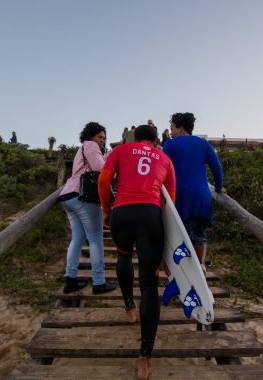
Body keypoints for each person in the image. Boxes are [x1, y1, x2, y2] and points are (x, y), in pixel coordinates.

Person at [98, 125, 176, 379]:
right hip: (149, 214)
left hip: (122, 212)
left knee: (122, 256)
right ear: (155, 140)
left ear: (135, 137)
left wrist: (106, 209)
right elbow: (170, 202)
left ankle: (130, 308)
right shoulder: (165, 158)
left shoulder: (120, 150)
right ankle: (144, 358)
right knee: (149, 283)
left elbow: (103, 180)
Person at [58, 122, 117, 295]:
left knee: (77, 239)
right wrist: (115, 164)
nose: (102, 140)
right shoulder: (90, 146)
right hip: (83, 196)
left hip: (68, 196)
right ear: (90, 135)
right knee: (96, 239)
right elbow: (102, 169)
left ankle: (70, 280)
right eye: (100, 136)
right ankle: (99, 282)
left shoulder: (81, 149)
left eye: (103, 138)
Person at [163, 112, 223, 274]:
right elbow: (216, 167)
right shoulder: (203, 144)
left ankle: (177, 270)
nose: (171, 132)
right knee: (198, 233)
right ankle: (200, 266)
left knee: (174, 234)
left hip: (177, 196)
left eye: (172, 128)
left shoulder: (169, 145)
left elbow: (161, 169)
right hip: (200, 196)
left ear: (180, 128)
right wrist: (218, 187)